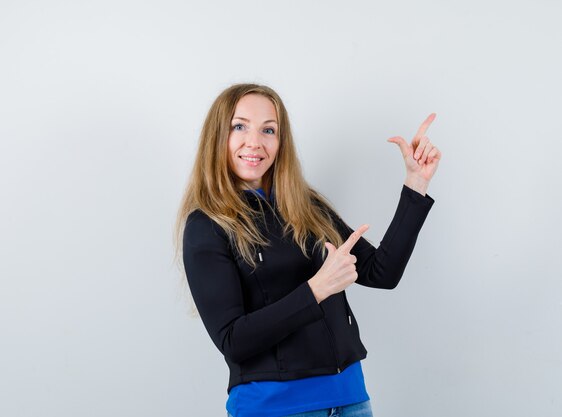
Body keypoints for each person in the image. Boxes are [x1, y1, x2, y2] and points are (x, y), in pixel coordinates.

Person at [174, 83, 441, 417]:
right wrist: (317, 289)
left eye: (268, 130)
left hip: (351, 401)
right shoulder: (207, 225)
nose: (254, 142)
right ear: (218, 137)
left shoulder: (305, 205)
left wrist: (416, 184)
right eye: (239, 126)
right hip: (276, 408)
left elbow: (381, 273)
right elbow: (233, 340)